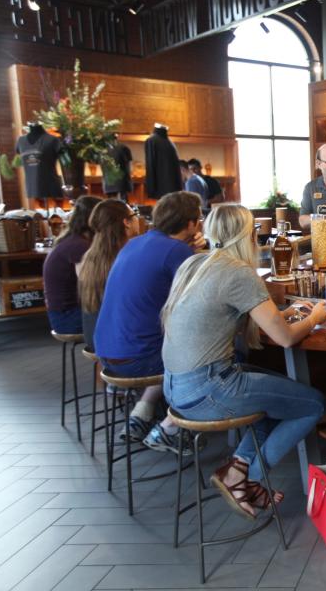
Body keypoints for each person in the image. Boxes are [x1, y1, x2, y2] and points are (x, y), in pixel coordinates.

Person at [162, 204, 326, 520]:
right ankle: (242, 477)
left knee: (269, 403)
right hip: (208, 389)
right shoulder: (238, 272)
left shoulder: (194, 264)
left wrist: (288, 317)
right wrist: (316, 315)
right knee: (312, 404)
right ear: (249, 235)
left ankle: (239, 469)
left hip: (174, 386)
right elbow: (286, 339)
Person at [94, 191, 206, 454]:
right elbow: (204, 298)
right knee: (212, 352)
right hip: (139, 359)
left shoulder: (135, 243)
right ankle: (171, 428)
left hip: (106, 354)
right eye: (198, 219)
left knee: (167, 344)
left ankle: (141, 414)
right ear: (190, 224)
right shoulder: (176, 251)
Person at [78, 200, 139, 351]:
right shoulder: (127, 257)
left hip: (93, 335)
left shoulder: (90, 256)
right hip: (117, 344)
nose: (138, 218)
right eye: (135, 214)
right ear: (127, 222)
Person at [42, 195, 102, 334]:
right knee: (127, 318)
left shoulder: (72, 240)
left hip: (63, 313)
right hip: (67, 318)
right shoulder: (79, 246)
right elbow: (90, 287)